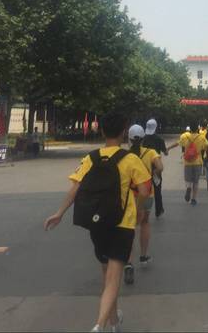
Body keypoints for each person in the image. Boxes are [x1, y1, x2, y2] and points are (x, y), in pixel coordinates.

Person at [44, 112, 151, 333]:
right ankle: (99, 325)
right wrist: (138, 209)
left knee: (107, 276)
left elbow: (75, 188)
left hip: (98, 224)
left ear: (102, 131)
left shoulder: (90, 158)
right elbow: (144, 191)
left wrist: (59, 213)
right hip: (122, 225)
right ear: (123, 132)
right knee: (113, 279)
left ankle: (114, 322)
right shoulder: (131, 159)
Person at [126, 124, 162, 282]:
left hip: (129, 195)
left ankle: (128, 262)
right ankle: (143, 256)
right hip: (147, 193)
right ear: (143, 139)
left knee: (130, 226)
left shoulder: (125, 155)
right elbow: (160, 167)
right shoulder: (150, 152)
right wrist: (154, 174)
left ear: (129, 139)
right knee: (145, 222)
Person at [179, 123, 208, 206]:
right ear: (197, 129)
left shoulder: (185, 136)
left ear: (190, 129)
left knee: (188, 180)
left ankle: (188, 187)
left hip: (187, 162)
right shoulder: (201, 137)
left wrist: (168, 148)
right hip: (198, 162)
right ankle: (194, 199)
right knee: (196, 182)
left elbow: (178, 143)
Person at [141, 119, 168, 218]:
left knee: (144, 190)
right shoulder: (159, 139)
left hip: (145, 168)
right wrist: (166, 150)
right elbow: (165, 152)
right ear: (156, 127)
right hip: (157, 168)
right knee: (157, 190)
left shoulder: (143, 139)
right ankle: (159, 210)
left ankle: (143, 209)